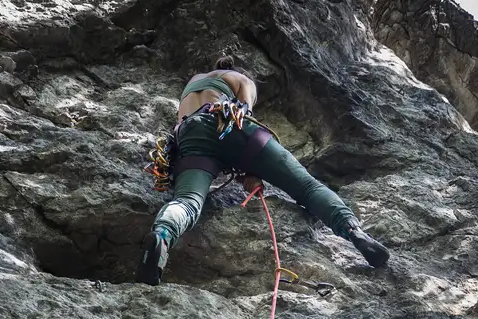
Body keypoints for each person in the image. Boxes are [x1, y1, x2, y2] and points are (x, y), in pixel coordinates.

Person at [136, 54, 390, 284]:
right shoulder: (239, 78)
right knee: (307, 187)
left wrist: (248, 171)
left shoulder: (195, 82)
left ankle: (162, 236)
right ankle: (354, 232)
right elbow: (243, 109)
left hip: (189, 135)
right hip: (227, 122)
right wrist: (252, 166)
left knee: (188, 201)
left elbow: (211, 138)